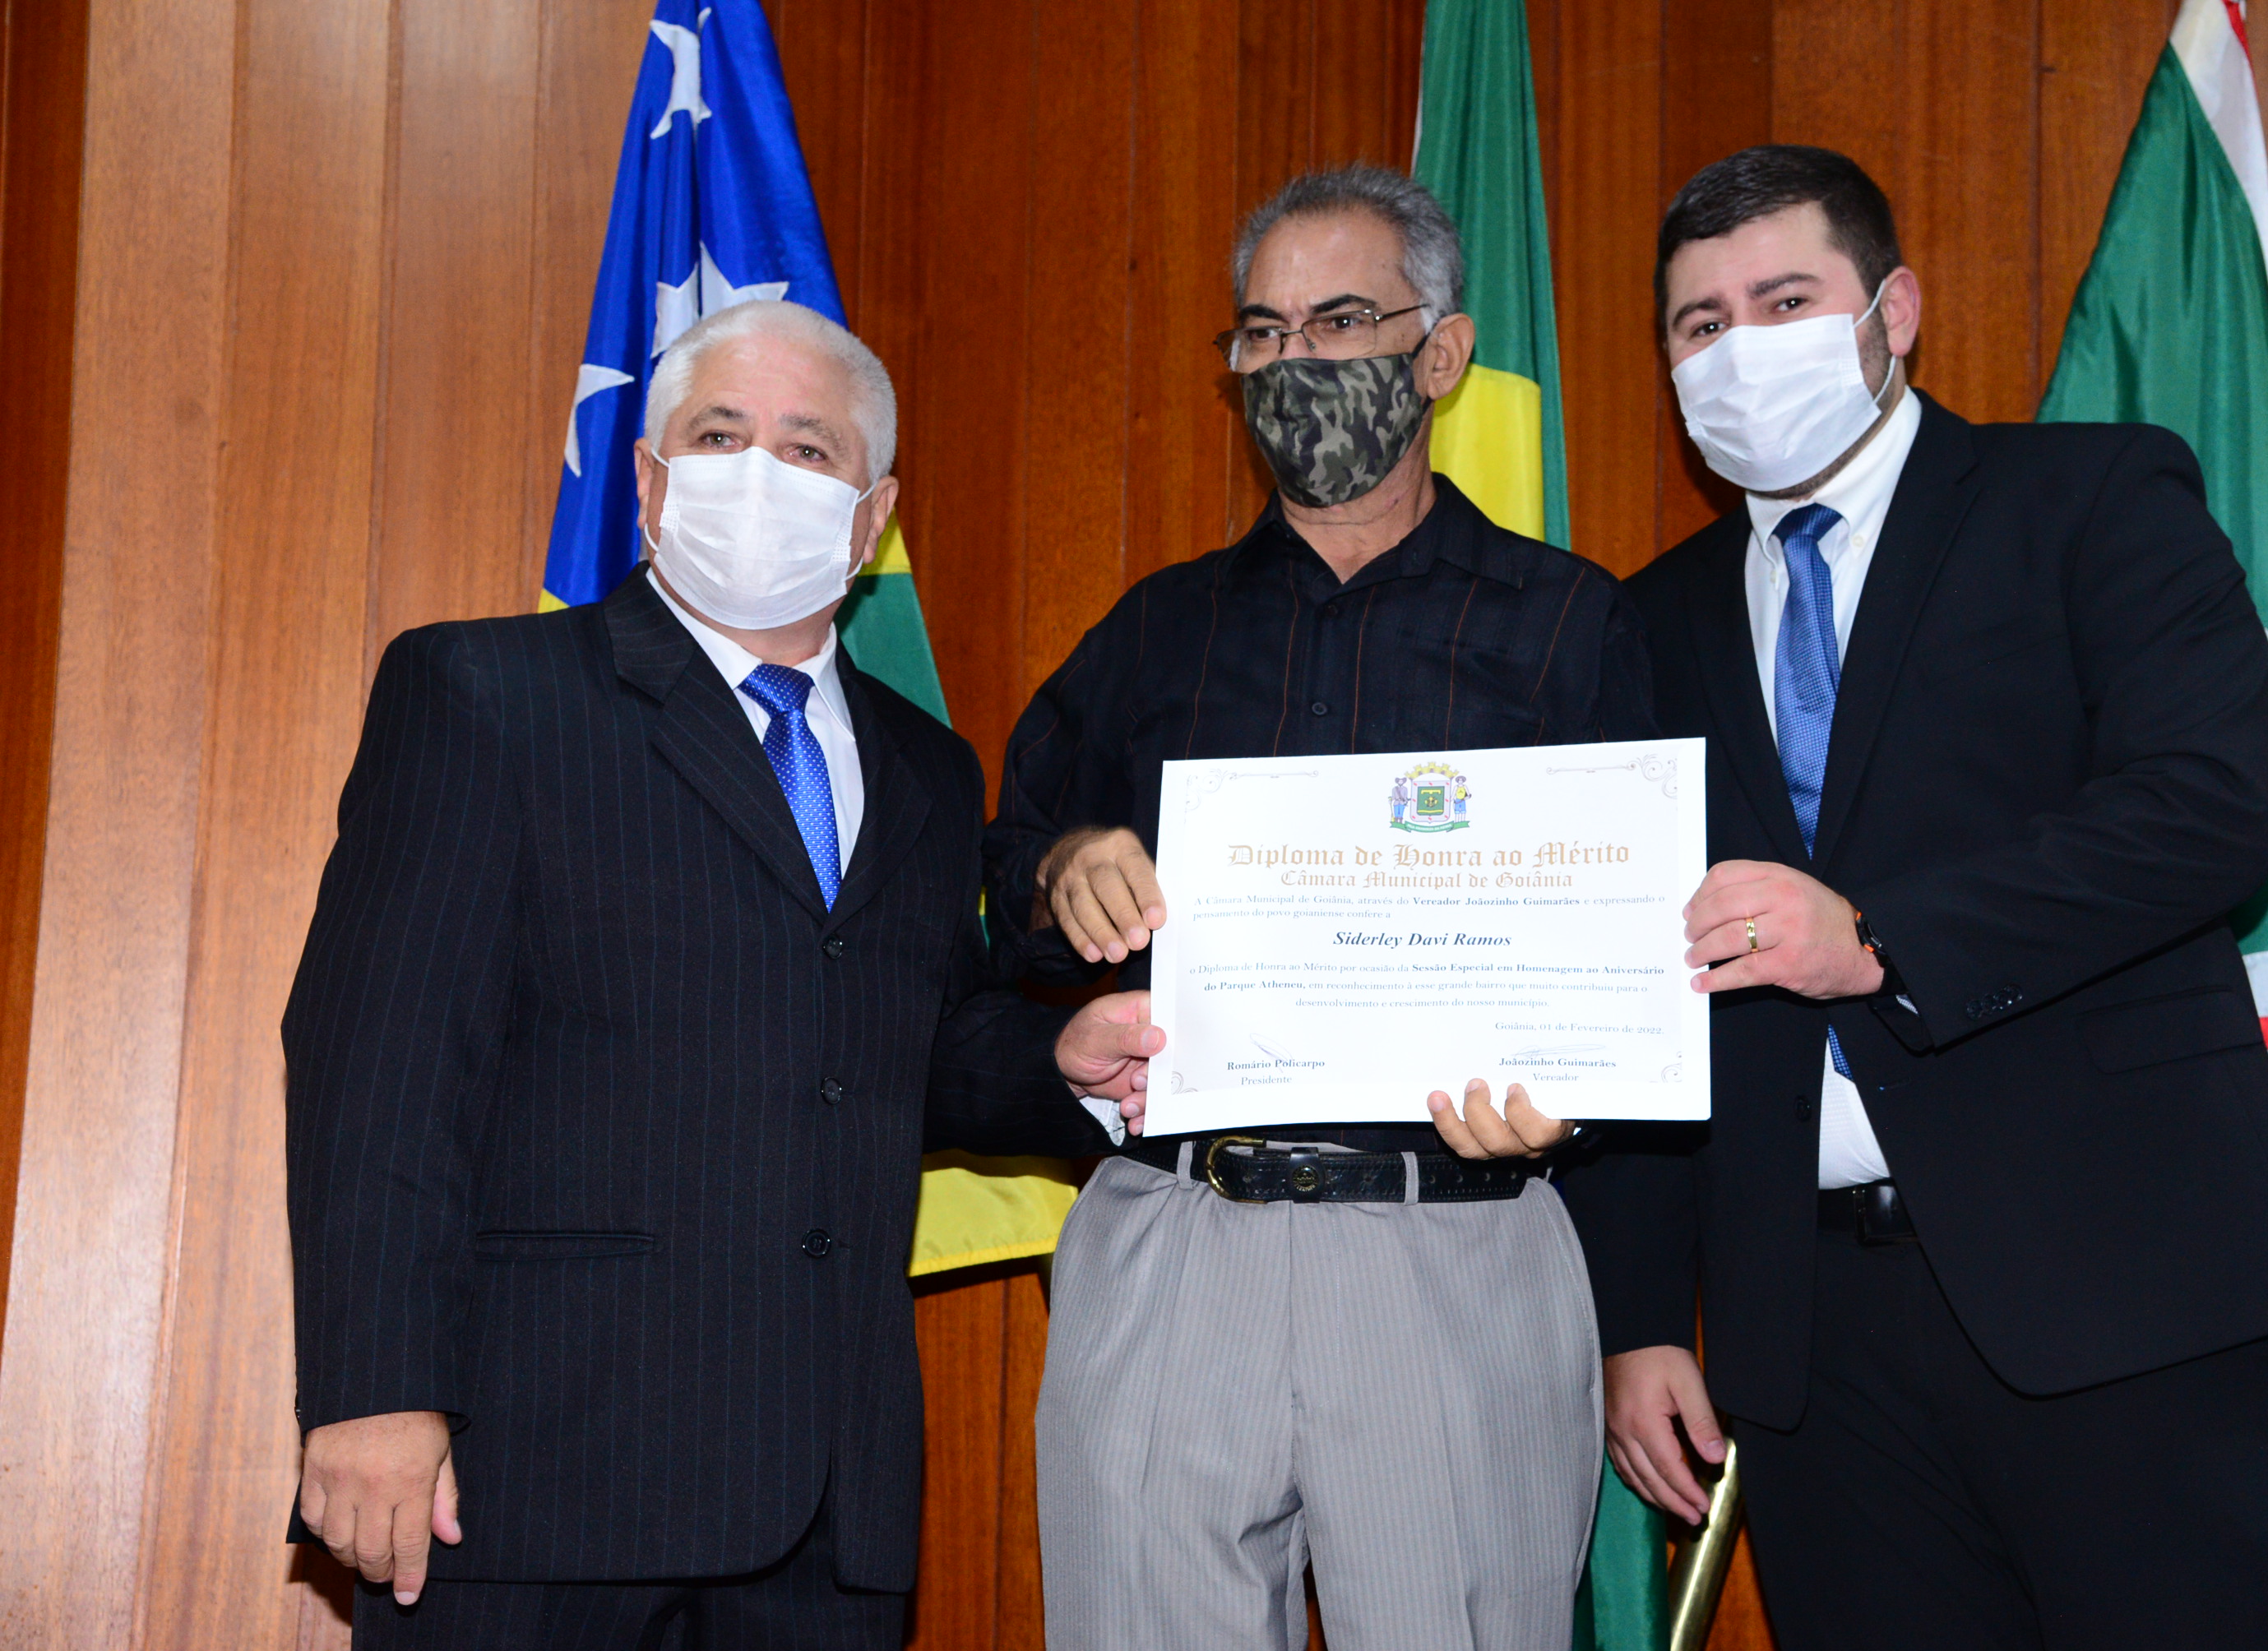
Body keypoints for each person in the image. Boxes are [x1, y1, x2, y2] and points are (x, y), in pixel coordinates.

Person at [1560, 146, 2268, 1650]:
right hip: (1812, 1348)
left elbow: (2201, 818)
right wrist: (1643, 1316)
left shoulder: (2092, 497)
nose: (1741, 348)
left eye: (1785, 301)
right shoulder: (1643, 622)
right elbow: (1639, 985)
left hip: (2122, 1285)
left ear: (1896, 311)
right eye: (1701, 324)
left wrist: (1880, 940)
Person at [285, 299, 1158, 1650]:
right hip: (534, 1482)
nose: (758, 474)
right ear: (648, 484)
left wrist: (1060, 1064)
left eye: (807, 450)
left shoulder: (931, 769)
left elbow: (895, 1055)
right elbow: (379, 1067)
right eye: (718, 436)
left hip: (829, 1508)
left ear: (871, 520)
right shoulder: (486, 692)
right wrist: (373, 1391)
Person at [987, 164, 1660, 1651]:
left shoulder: (1575, 622)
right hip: (1179, 1238)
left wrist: (1584, 1096)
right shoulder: (1155, 630)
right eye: (1263, 331)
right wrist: (1064, 865)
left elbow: (1652, 948)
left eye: (1341, 321)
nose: (1295, 361)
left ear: (1441, 352)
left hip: (1456, 1243)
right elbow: (1007, 875)